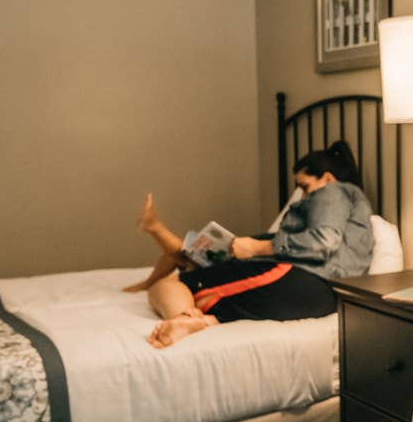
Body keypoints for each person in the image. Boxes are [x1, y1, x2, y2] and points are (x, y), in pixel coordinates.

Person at [141, 141, 375, 348]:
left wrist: (258, 248)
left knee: (168, 285)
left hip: (303, 279)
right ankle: (202, 321)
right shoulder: (350, 207)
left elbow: (325, 241)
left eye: (304, 187)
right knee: (214, 293)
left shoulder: (333, 191)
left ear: (327, 178)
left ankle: (184, 318)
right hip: (315, 294)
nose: (303, 196)